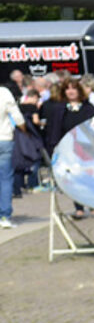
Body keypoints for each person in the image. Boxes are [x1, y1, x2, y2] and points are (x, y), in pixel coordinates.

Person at [44, 79, 94, 220]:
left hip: (86, 148)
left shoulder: (88, 108)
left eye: (73, 88)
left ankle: (93, 205)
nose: (71, 91)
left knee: (90, 177)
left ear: (79, 91)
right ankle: (79, 208)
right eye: (67, 89)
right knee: (75, 178)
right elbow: (53, 130)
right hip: (68, 149)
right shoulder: (59, 109)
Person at [0, 82, 20, 229]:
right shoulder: (4, 92)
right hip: (4, 138)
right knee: (5, 179)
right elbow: (17, 117)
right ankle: (5, 216)